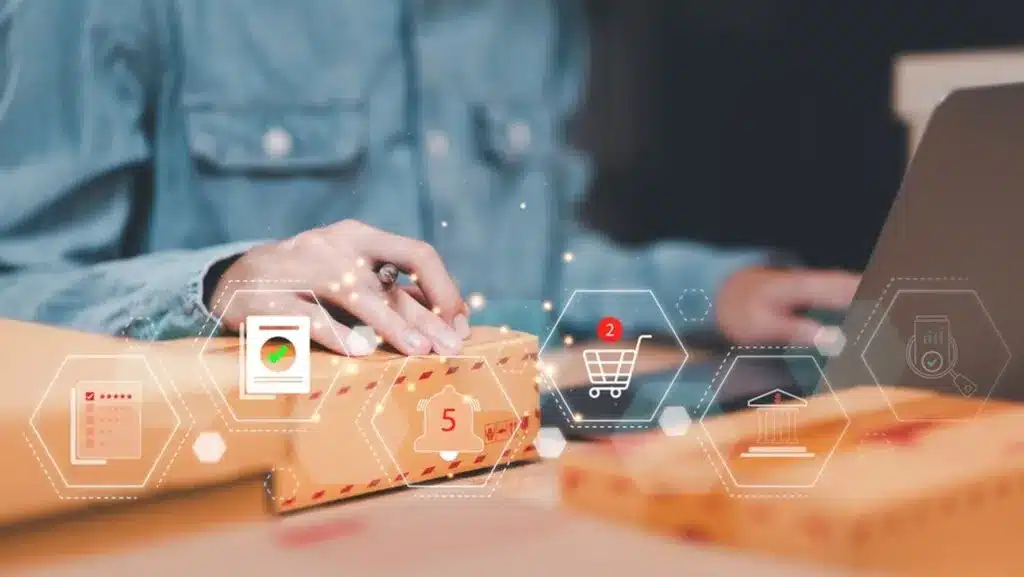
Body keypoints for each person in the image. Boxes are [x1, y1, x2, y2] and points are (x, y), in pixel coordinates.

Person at [0, 0, 858, 357]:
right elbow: (18, 282)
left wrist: (710, 292)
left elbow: (515, 277)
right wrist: (222, 282)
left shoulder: (533, 19)